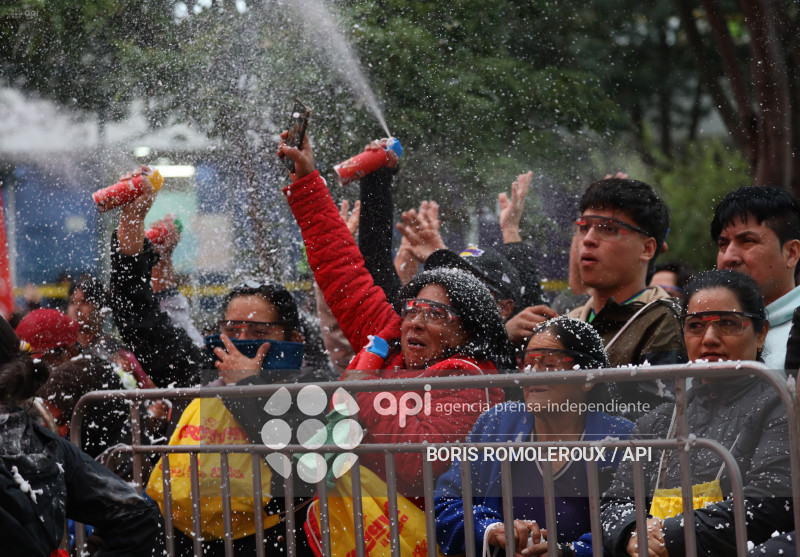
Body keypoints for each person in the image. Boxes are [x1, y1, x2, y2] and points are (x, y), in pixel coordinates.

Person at [279, 132, 514, 495]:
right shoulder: (386, 337)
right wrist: (307, 180)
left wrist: (364, 388)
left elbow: (417, 466)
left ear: (470, 329)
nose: (416, 322)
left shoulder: (477, 385)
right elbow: (340, 266)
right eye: (414, 308)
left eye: (436, 313)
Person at [108, 167, 322, 556]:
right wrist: (131, 219)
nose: (240, 342)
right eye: (231, 329)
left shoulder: (316, 390)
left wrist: (247, 388)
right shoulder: (202, 374)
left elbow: (308, 470)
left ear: (293, 339)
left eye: (258, 332)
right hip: (184, 543)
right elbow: (136, 316)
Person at [601, 270, 792, 556]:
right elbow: (614, 504)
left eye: (727, 323)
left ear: (761, 333)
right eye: (696, 325)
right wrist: (631, 533)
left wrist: (671, 536)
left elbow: (768, 504)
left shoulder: (782, 408)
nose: (710, 338)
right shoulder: (658, 421)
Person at [434, 317, 634, 557]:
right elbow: (446, 504)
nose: (533, 374)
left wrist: (570, 552)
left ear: (587, 378)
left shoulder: (622, 438)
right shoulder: (498, 424)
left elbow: (633, 525)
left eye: (549, 364)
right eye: (528, 363)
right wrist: (492, 530)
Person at [0, 315, 162, 556]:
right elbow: (136, 515)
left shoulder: (47, 445)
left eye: (63, 418)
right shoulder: (45, 444)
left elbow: (136, 516)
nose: (59, 426)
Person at [565, 177, 686, 418]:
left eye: (608, 228)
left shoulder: (663, 318)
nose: (588, 239)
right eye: (583, 227)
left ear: (647, 249)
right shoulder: (568, 321)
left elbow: (653, 423)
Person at [711, 185, 800, 369]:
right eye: (723, 244)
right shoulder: (701, 330)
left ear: (791, 253)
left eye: (748, 241)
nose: (728, 257)